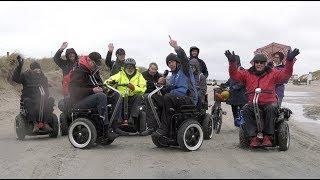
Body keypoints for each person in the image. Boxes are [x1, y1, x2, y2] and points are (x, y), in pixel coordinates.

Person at [225, 48, 300, 147]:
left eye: (261, 62)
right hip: (253, 102)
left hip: (269, 101)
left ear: (265, 64)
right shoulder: (247, 73)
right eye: (257, 62)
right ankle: (253, 137)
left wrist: (289, 61)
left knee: (270, 108)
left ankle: (268, 137)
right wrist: (232, 62)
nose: (259, 64)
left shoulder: (273, 73)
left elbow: (285, 75)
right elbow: (234, 75)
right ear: (254, 63)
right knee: (246, 109)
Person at [147, 38, 198, 137]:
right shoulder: (173, 75)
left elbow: (184, 59)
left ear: (177, 62)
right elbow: (172, 88)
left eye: (172, 61)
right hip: (176, 98)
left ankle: (164, 128)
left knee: (168, 97)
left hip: (189, 98)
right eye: (168, 63)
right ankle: (153, 126)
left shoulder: (185, 69)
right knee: (152, 98)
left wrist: (176, 47)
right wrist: (160, 86)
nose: (170, 64)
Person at [69, 52, 119, 139]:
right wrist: (92, 90)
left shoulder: (93, 71)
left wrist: (105, 89)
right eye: (95, 64)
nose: (96, 67)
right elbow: (73, 91)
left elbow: (98, 85)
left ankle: (115, 126)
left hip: (91, 98)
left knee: (116, 95)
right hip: (78, 101)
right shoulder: (78, 71)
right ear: (89, 60)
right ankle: (105, 128)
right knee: (101, 96)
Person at [12, 55, 54, 133]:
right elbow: (15, 79)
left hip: (41, 98)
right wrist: (19, 66)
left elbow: (46, 90)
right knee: (27, 101)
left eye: (38, 69)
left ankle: (45, 123)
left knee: (50, 100)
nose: (37, 70)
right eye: (35, 69)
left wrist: (46, 96)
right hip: (29, 97)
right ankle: (34, 124)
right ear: (31, 69)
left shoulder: (43, 77)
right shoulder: (25, 75)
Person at [105, 58, 147, 126]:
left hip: (132, 97)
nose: (129, 68)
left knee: (139, 96)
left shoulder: (139, 76)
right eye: (128, 67)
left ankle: (132, 119)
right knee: (117, 96)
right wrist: (112, 82)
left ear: (134, 67)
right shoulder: (120, 74)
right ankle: (118, 120)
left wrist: (133, 88)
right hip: (121, 97)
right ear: (125, 67)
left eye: (131, 67)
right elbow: (107, 82)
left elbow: (143, 89)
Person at [53, 42, 79, 114]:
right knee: (68, 107)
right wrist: (61, 49)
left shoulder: (79, 63)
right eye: (69, 54)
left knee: (78, 106)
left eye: (72, 53)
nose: (71, 55)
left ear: (75, 54)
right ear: (67, 56)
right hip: (67, 89)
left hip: (79, 88)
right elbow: (55, 58)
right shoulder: (64, 63)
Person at [224, 56, 247, 127]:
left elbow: (242, 83)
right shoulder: (233, 70)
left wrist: (234, 87)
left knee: (242, 111)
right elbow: (230, 80)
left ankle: (243, 124)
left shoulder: (242, 70)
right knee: (234, 110)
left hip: (241, 95)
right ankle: (237, 123)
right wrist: (224, 85)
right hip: (233, 95)